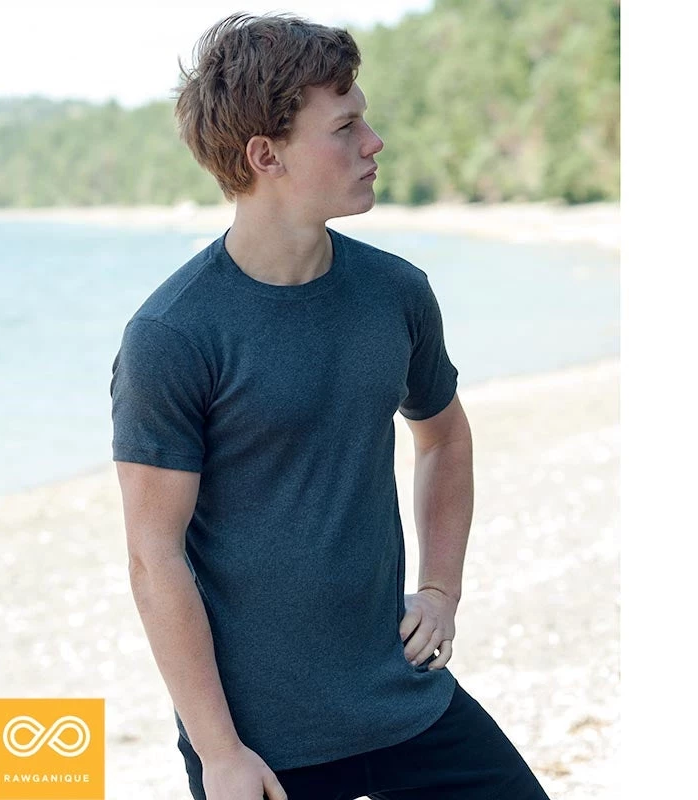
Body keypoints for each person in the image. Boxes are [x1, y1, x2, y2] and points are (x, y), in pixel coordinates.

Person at [110, 12, 551, 800]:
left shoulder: (396, 293)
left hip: (405, 701)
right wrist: (219, 753)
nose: (374, 143)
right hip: (261, 743)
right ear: (266, 155)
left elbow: (444, 437)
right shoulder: (173, 334)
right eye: (345, 128)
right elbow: (154, 557)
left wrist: (440, 591)